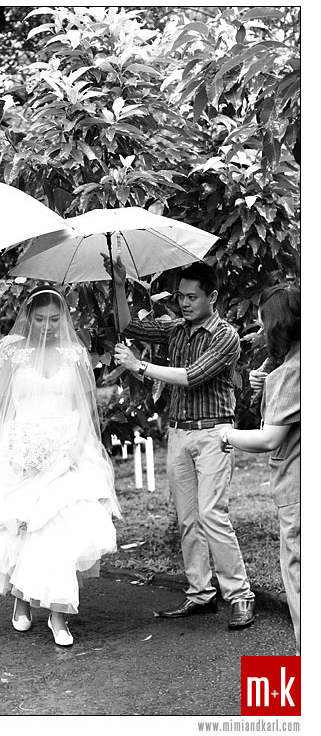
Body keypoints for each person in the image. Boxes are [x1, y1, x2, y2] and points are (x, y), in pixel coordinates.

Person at [106, 255, 255, 629]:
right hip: (179, 433)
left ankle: (240, 595)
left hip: (213, 434)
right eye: (181, 297)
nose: (184, 303)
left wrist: (139, 365)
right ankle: (200, 593)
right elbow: (128, 326)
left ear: (212, 297)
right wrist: (121, 285)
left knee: (212, 515)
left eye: (192, 297)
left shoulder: (225, 336)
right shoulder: (175, 330)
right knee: (188, 519)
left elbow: (191, 375)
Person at [0, 285, 121, 646]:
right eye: (40, 319)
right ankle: (22, 599)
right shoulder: (12, 353)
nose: (47, 326)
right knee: (24, 529)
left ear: (64, 318)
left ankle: (58, 614)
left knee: (61, 531)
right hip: (20, 451)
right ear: (29, 317)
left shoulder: (75, 354)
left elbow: (86, 409)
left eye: (55, 319)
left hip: (69, 450)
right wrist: (8, 448)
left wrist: (73, 450)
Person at [218, 284, 300, 652]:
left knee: (300, 576)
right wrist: (269, 381)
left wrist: (227, 435)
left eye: (263, 323)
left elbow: (269, 438)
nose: (260, 329)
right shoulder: (292, 367)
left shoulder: (291, 372)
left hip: (297, 488)